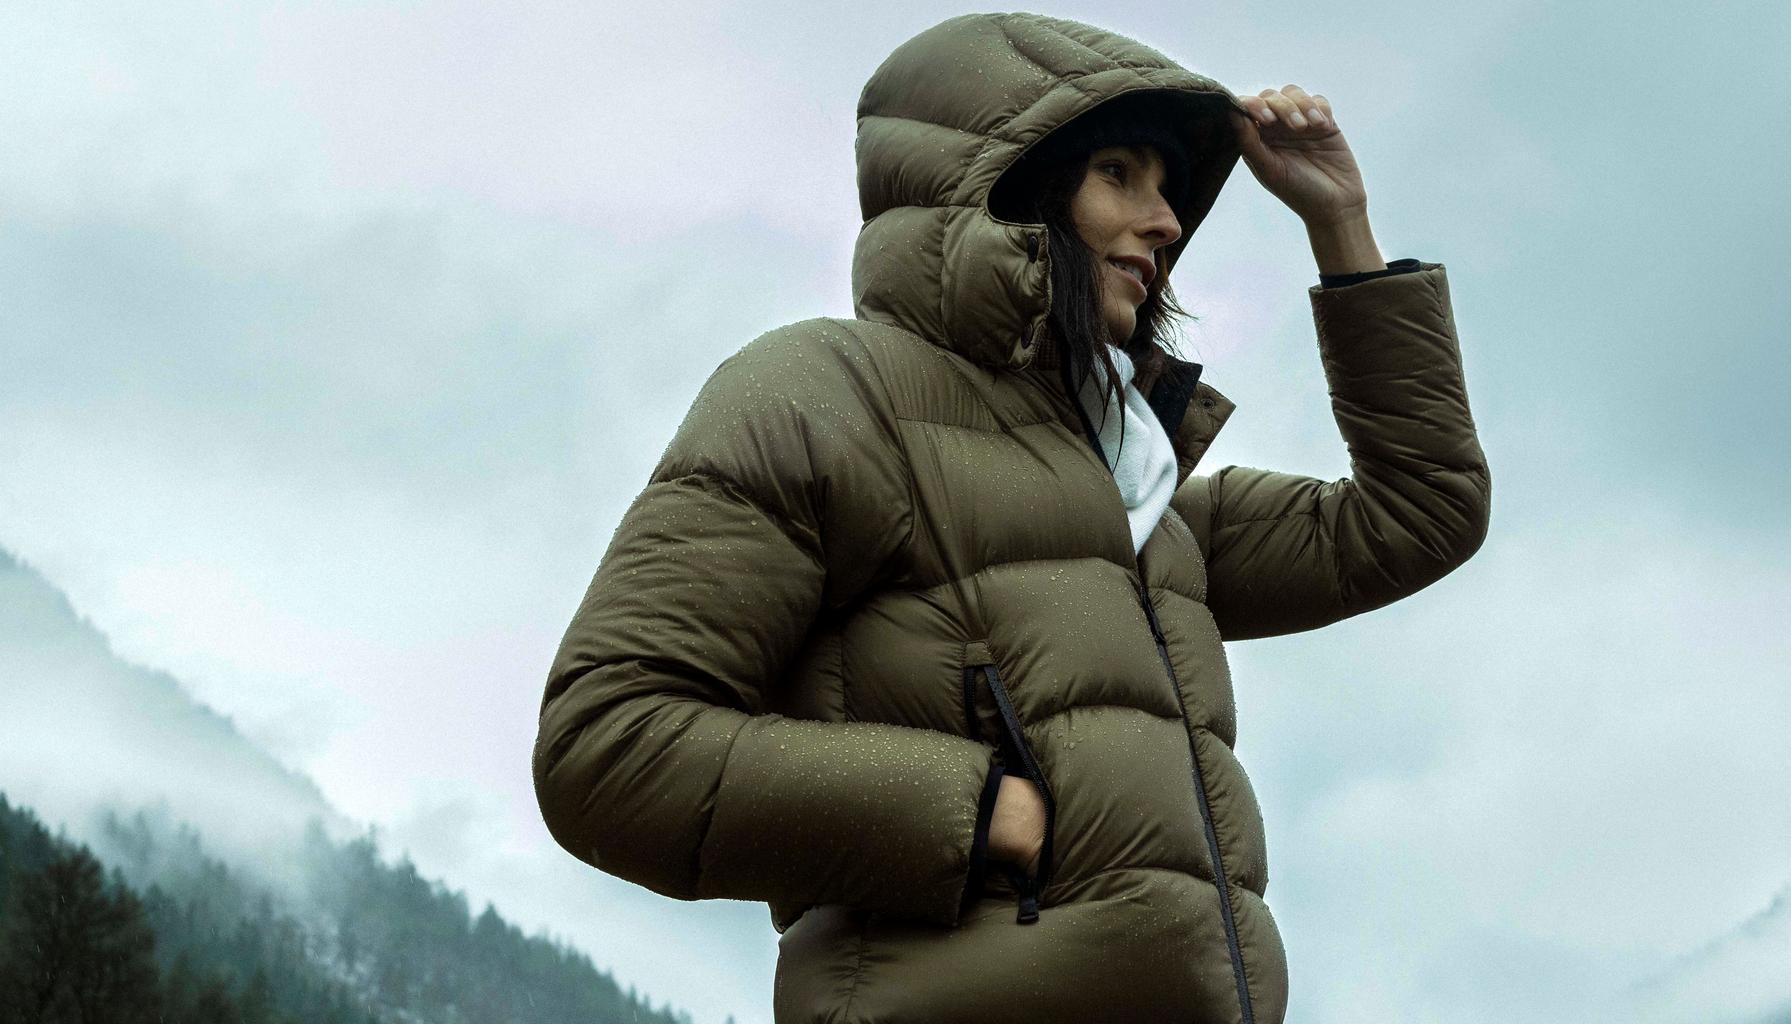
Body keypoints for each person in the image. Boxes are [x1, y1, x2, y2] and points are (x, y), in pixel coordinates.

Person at [531, 12, 1489, 1023]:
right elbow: (608, 746)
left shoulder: (1143, 495)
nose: (1164, 223)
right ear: (1009, 188)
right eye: (1119, 174)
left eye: (1167, 188)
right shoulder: (827, 393)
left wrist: (1340, 225)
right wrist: (970, 805)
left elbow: (1421, 510)